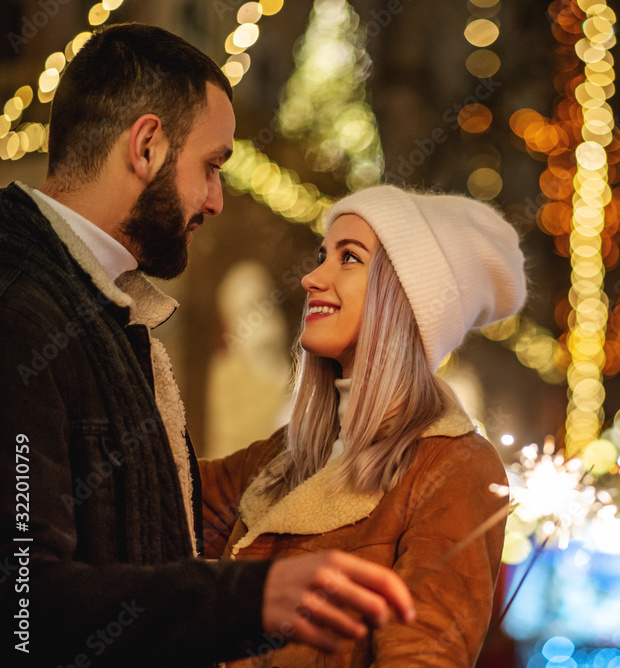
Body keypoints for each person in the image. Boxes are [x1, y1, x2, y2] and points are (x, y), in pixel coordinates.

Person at [0, 24, 413, 667]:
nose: (216, 200)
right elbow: (21, 607)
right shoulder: (20, 311)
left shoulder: (105, 309)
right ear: (146, 146)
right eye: (212, 166)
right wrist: (249, 600)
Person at [199, 185, 527, 667]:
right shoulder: (279, 459)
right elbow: (150, 503)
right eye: (322, 255)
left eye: (348, 258)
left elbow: (422, 657)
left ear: (407, 296)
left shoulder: (456, 466)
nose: (312, 278)